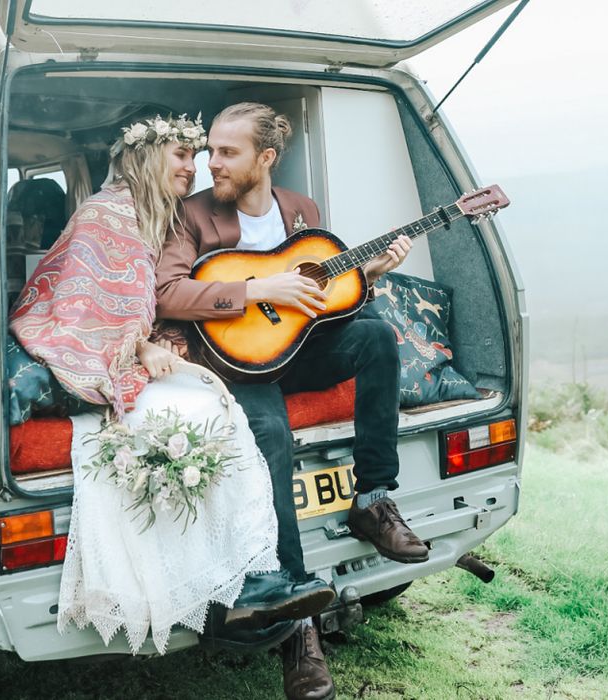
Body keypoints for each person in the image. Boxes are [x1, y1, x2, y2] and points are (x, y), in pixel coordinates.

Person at [8, 113, 334, 656]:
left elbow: (142, 298)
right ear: (146, 157)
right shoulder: (105, 213)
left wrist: (151, 343)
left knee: (218, 412)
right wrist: (141, 346)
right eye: (182, 156)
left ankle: (247, 575)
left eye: (199, 154)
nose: (196, 167)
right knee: (204, 418)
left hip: (154, 351)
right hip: (96, 354)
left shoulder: (159, 212)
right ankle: (234, 580)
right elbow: (84, 303)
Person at [155, 102, 430, 700]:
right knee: (271, 438)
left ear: (266, 158)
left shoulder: (302, 212)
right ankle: (297, 620)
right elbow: (169, 291)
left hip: (295, 352)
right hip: (237, 366)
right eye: (209, 152)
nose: (211, 164)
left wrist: (371, 275)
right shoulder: (192, 215)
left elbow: (322, 305)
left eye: (227, 153)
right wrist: (259, 288)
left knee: (377, 336)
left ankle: (374, 498)